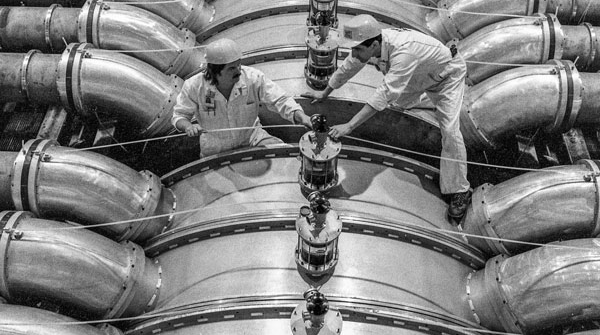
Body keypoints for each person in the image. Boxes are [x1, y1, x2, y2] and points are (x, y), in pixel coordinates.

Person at [308, 15, 472, 222]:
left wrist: (349, 126)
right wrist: (325, 92)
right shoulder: (371, 46)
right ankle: (424, 100)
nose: (354, 54)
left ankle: (460, 190)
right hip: (418, 76)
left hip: (445, 78)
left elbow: (383, 94)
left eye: (357, 50)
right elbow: (349, 67)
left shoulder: (404, 52)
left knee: (449, 129)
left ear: (375, 44)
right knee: (397, 103)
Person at [172, 37, 312, 156]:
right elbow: (179, 116)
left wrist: (302, 117)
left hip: (252, 138)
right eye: (231, 68)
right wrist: (188, 126)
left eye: (238, 65)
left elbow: (280, 99)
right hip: (215, 149)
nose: (238, 71)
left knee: (284, 154)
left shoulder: (252, 78)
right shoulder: (194, 86)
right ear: (215, 71)